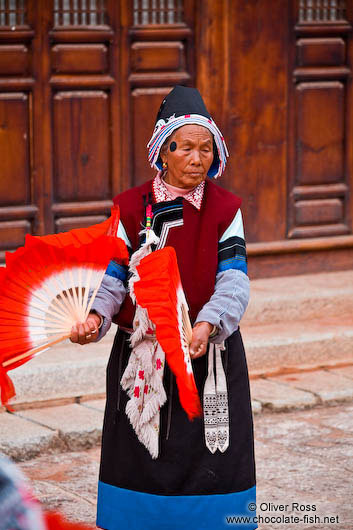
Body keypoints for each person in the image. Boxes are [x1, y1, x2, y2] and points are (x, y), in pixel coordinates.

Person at [70, 86, 257, 530]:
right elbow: (115, 276)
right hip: (143, 352)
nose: (198, 158)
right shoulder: (132, 208)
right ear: (163, 152)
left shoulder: (224, 208)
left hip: (206, 351)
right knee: (139, 450)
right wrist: (95, 319)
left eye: (206, 149)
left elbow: (234, 277)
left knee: (211, 452)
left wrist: (209, 323)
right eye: (186, 148)